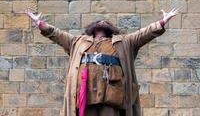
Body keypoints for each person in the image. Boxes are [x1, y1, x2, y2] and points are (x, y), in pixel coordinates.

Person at [25, 8, 179, 116]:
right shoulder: (77, 41)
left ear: (111, 29)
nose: (102, 21)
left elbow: (145, 34)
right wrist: (40, 24)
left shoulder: (124, 42)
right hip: (84, 95)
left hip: (112, 95)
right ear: (92, 28)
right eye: (99, 21)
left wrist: (162, 22)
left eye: (105, 21)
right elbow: (56, 34)